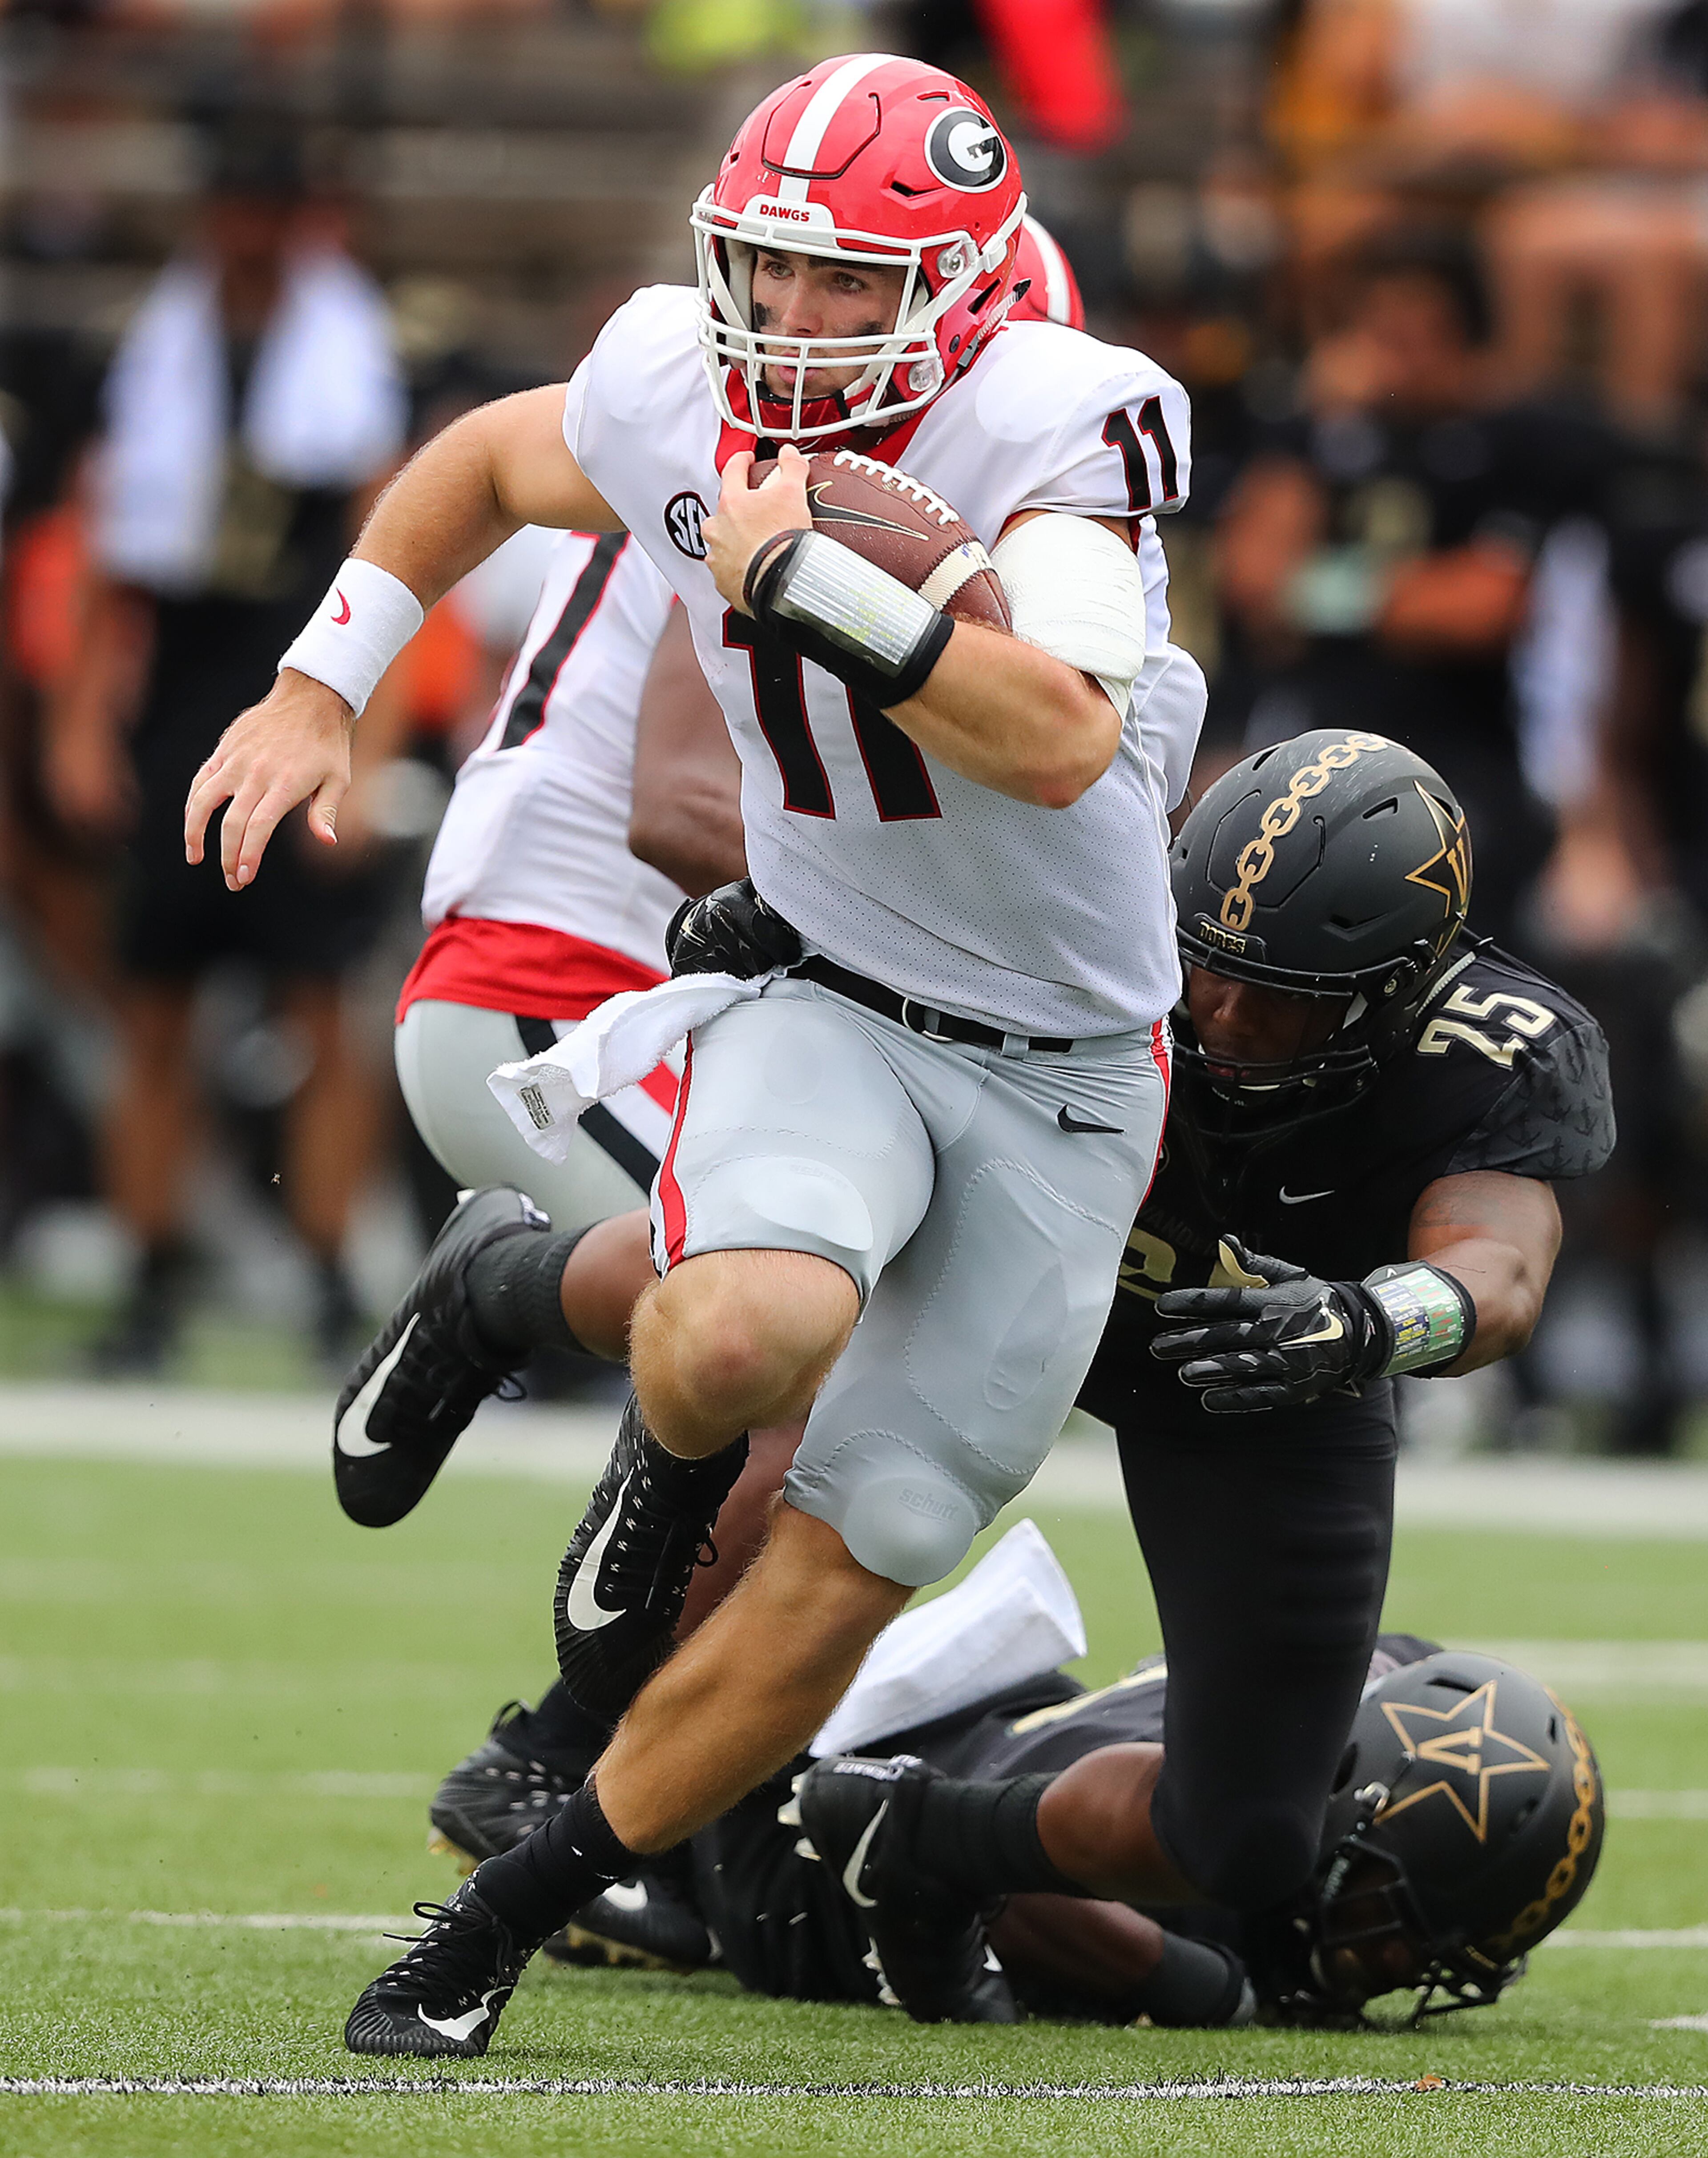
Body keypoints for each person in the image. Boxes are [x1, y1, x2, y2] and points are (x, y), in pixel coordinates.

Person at [180, 55, 1206, 2057]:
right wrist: (324, 679)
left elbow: (1061, 735)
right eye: (769, 268)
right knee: (740, 1340)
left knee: (861, 1553)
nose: (794, 320)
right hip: (824, 991)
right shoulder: (675, 376)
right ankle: (621, 1469)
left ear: (976, 286)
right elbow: (483, 460)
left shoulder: (1062, 423)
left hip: (1072, 1080)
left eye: (849, 284)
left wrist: (814, 584)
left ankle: (503, 1905)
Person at [773, 728, 1614, 2022]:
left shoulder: (1497, 1044)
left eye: (1272, 990)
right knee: (767, 1342)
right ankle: (505, 1309)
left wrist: (1364, 1322)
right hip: (1039, 1235)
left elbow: (1497, 1276)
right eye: (1203, 967)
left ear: (1391, 988)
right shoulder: (1097, 908)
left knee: (1246, 1831)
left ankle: (920, 1841)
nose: (1218, 1012)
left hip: (1264, 1350)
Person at [568, 1585, 1603, 2031]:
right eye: (1390, 1926)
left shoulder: (1352, 1700)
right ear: (1344, 1809)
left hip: (941, 1713)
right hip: (798, 1844)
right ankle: (659, 1858)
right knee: (1201, 1973)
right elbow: (1019, 1890)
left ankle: (649, 1867)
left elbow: (1410, 1666)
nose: (1394, 1969)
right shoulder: (1225, 1884)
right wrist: (1208, 1987)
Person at [45, 118, 407, 1370]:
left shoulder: (364, 356)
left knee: (319, 1006)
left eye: (272, 210)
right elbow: (107, 556)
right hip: (183, 701)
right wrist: (82, 718)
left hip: (309, 688)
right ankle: (151, 1277)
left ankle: (322, 1274)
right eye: (237, 210)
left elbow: (400, 559)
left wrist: (372, 728)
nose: (252, 235)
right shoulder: (152, 350)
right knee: (156, 1006)